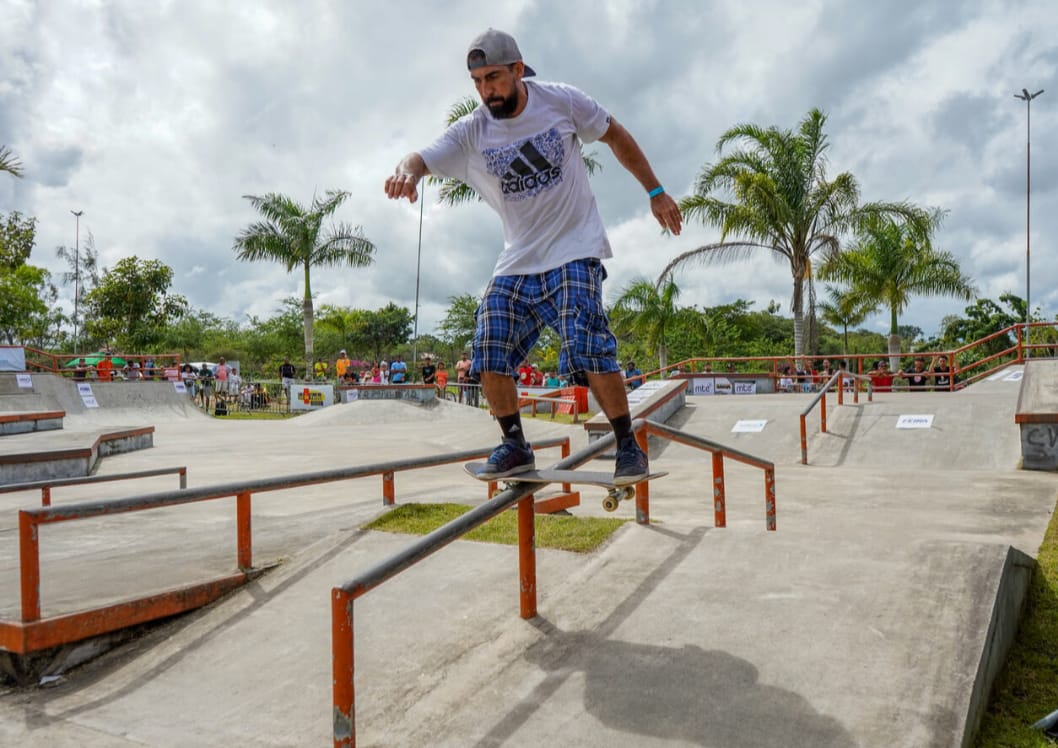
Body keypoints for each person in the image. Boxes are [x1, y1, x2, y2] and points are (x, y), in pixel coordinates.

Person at [385, 29, 683, 481]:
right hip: (519, 260)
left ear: (518, 71)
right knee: (487, 348)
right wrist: (405, 173)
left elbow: (615, 134)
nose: (487, 91)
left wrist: (655, 191)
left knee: (586, 342)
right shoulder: (472, 131)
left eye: (495, 78)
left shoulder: (561, 102)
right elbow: (421, 157)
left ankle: (627, 445)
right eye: (478, 83)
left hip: (575, 248)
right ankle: (515, 445)